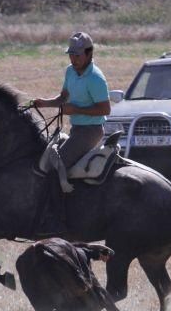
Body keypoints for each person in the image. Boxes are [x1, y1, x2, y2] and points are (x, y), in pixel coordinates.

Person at [32, 31, 111, 193]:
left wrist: (76, 110)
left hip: (91, 131)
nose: (73, 59)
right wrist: (44, 103)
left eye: (77, 56)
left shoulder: (96, 78)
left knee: (55, 166)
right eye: (71, 55)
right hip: (77, 130)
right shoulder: (70, 71)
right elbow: (63, 97)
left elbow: (105, 109)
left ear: (89, 54)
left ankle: (58, 211)